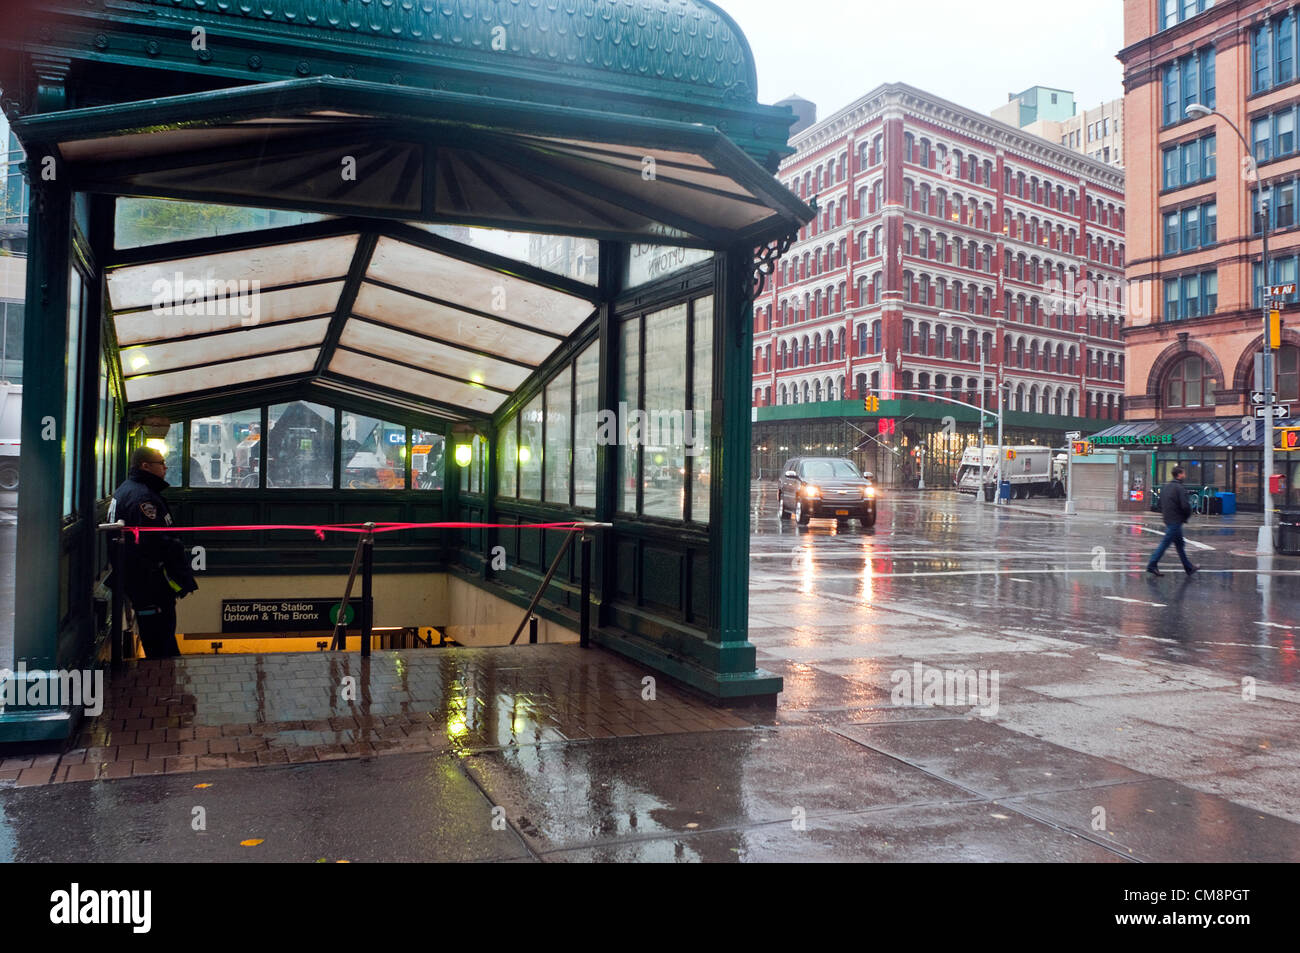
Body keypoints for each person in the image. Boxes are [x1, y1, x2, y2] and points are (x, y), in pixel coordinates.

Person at [109, 446, 198, 658]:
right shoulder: (143, 498)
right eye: (161, 463)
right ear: (145, 466)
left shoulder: (129, 489)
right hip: (150, 583)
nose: (165, 468)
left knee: (159, 636)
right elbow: (155, 544)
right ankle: (166, 687)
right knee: (160, 640)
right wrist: (179, 575)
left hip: (142, 580)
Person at [1147, 465, 1200, 577]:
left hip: (1169, 519)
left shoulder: (1166, 487)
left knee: (1180, 545)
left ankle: (1189, 567)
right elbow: (1185, 506)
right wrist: (1186, 516)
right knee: (1165, 543)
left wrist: (1167, 513)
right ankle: (1152, 564)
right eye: (1183, 473)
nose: (1185, 475)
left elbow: (1159, 504)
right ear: (1179, 475)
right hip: (1176, 520)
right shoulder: (1180, 488)